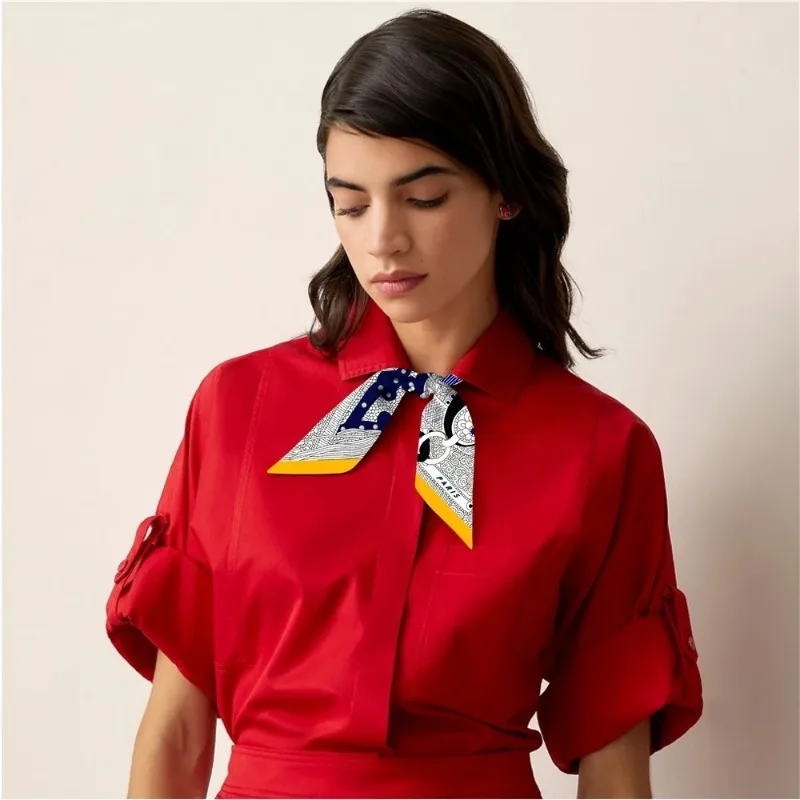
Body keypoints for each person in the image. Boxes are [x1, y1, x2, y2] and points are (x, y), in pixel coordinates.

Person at [106, 8, 703, 799]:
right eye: (351, 204)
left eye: (423, 198)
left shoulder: (602, 447)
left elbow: (615, 771)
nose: (382, 239)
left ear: (505, 192)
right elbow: (178, 730)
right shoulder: (237, 407)